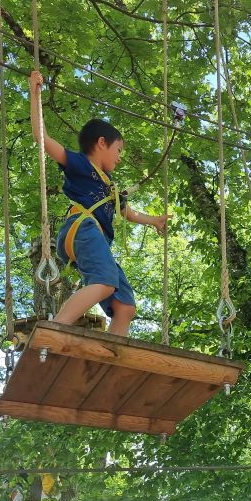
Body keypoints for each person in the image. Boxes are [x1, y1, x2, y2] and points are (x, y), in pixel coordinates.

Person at [29, 70, 169, 336]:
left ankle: (114, 353)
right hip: (82, 228)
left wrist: (153, 220)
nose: (119, 157)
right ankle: (55, 328)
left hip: (97, 240)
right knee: (104, 282)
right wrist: (34, 93)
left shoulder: (109, 184)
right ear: (101, 143)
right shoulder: (82, 164)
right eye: (118, 150)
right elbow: (42, 138)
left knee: (124, 306)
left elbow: (126, 212)